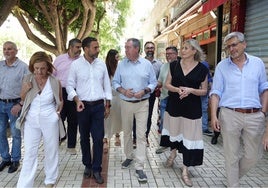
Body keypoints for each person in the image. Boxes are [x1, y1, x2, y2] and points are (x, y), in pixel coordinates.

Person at [210, 31, 268, 187]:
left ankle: (232, 177)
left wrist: (263, 112)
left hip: (254, 115)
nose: (232, 49)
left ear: (244, 44)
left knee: (254, 156)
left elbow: (264, 89)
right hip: (229, 114)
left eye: (234, 44)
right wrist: (214, 116)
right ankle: (232, 184)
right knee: (231, 155)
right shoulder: (222, 66)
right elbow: (215, 93)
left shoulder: (257, 63)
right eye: (229, 46)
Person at [160, 39, 208, 187]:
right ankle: (173, 154)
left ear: (194, 51)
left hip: (192, 108)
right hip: (174, 105)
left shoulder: (202, 69)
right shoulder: (174, 65)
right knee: (174, 132)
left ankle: (185, 170)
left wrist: (191, 90)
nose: (182, 50)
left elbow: (205, 90)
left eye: (186, 48)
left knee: (189, 138)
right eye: (182, 48)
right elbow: (167, 84)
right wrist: (177, 89)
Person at [66, 37, 112, 184]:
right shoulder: (76, 65)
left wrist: (108, 105)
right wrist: (77, 100)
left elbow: (107, 85)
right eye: (95, 47)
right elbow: (69, 85)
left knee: (98, 138)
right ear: (86, 49)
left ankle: (97, 168)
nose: (98, 50)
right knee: (84, 137)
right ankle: (87, 165)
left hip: (99, 106)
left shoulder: (101, 65)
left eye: (98, 47)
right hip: (82, 106)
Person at [112, 38, 157, 183]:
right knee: (127, 132)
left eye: (128, 47)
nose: (125, 50)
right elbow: (115, 82)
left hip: (143, 103)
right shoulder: (121, 65)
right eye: (125, 47)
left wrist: (144, 90)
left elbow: (153, 82)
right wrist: (123, 91)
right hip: (125, 103)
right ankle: (129, 156)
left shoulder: (146, 64)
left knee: (141, 135)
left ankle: (140, 166)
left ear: (136, 49)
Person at [17, 51, 63, 187]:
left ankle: (50, 179)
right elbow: (23, 99)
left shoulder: (55, 81)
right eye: (36, 68)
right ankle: (24, 184)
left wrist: (57, 113)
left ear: (48, 67)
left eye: (42, 68)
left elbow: (60, 100)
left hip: (50, 119)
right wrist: (25, 90)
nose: (39, 71)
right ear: (32, 67)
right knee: (30, 152)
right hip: (31, 120)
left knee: (51, 149)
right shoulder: (28, 78)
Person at [0, 41, 28, 173]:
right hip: (0, 104)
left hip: (15, 105)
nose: (6, 51)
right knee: (0, 132)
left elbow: (28, 88)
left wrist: (20, 104)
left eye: (9, 49)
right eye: (4, 49)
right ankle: (5, 158)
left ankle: (15, 159)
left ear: (16, 51)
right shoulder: (0, 66)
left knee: (16, 133)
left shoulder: (23, 67)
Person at [53, 38, 82, 155]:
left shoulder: (81, 61)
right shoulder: (60, 59)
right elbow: (53, 75)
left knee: (73, 120)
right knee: (58, 117)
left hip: (74, 93)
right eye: (77, 47)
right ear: (71, 47)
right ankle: (61, 137)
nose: (80, 50)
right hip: (60, 92)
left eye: (80, 47)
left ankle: (71, 146)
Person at [132, 41, 162, 148]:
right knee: (136, 116)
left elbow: (160, 80)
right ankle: (135, 138)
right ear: (144, 50)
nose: (150, 49)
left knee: (148, 116)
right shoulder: (138, 63)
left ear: (154, 49)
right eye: (148, 48)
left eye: (152, 48)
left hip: (151, 95)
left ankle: (145, 137)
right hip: (138, 95)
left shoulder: (159, 64)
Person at [155, 46, 179, 154]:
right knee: (164, 121)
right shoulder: (164, 66)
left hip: (177, 99)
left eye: (171, 53)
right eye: (167, 53)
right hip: (165, 98)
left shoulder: (181, 66)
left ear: (176, 54)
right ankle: (165, 144)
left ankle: (176, 145)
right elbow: (160, 82)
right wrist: (151, 85)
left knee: (177, 123)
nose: (168, 55)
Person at [103, 49, 122, 153]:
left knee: (118, 117)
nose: (118, 59)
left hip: (119, 97)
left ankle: (117, 135)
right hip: (108, 98)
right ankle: (105, 139)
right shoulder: (105, 68)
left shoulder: (120, 68)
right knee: (107, 119)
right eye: (116, 57)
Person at [201, 60, 213, 136]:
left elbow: (208, 77)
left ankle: (204, 128)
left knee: (203, 109)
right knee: (203, 109)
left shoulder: (204, 64)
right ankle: (203, 128)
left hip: (203, 91)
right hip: (194, 91)